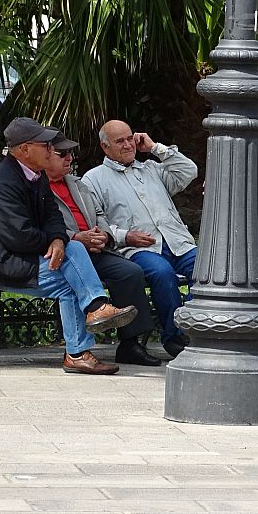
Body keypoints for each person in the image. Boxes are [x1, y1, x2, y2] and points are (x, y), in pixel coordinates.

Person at [0, 117, 138, 375]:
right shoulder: (3, 183)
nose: (51, 149)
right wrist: (56, 242)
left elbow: (53, 217)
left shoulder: (36, 177)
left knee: (72, 266)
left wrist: (59, 239)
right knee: (74, 264)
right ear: (24, 149)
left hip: (26, 257)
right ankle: (93, 315)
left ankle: (79, 351)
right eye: (45, 145)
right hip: (1, 263)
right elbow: (17, 236)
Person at [45, 137, 165, 365]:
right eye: (62, 154)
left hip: (95, 249)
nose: (69, 158)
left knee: (130, 272)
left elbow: (99, 213)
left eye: (71, 153)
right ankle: (80, 346)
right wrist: (74, 237)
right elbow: (44, 226)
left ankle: (131, 344)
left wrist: (105, 235)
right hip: (67, 253)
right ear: (46, 156)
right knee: (75, 275)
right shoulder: (39, 188)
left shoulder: (77, 184)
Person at [82, 120, 197, 356]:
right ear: (105, 147)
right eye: (119, 141)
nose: (127, 145)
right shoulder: (94, 179)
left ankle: (195, 328)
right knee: (162, 273)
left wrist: (155, 148)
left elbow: (189, 171)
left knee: (209, 266)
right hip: (139, 249)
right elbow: (95, 223)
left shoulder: (151, 169)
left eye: (129, 138)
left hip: (176, 241)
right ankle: (175, 336)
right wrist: (126, 236)